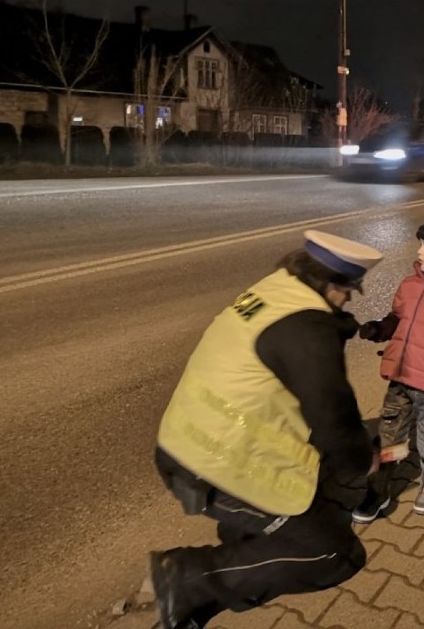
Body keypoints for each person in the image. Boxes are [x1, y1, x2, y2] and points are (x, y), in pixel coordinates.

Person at [149, 230, 383, 629]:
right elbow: (334, 420)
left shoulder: (274, 291)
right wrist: (363, 461)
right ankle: (186, 577)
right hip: (215, 464)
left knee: (283, 533)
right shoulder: (307, 327)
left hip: (184, 442)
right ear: (332, 286)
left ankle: (199, 602)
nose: (346, 301)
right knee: (332, 554)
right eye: (348, 292)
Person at [351, 216, 424, 523]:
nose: (420, 252)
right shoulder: (410, 284)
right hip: (401, 378)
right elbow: (398, 318)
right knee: (389, 438)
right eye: (421, 245)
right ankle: (379, 489)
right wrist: (380, 329)